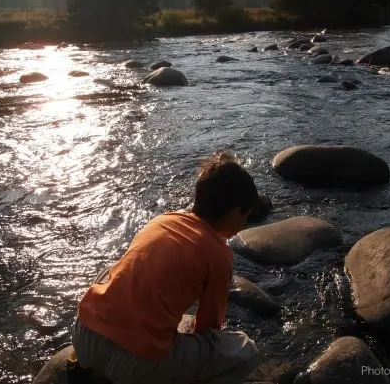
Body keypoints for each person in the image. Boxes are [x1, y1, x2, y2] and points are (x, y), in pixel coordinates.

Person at [71, 151, 260, 384]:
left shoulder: (162, 220)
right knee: (245, 350)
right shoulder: (218, 254)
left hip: (85, 337)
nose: (244, 224)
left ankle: (95, 370)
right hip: (135, 363)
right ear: (234, 212)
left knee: (115, 268)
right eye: (245, 217)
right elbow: (209, 327)